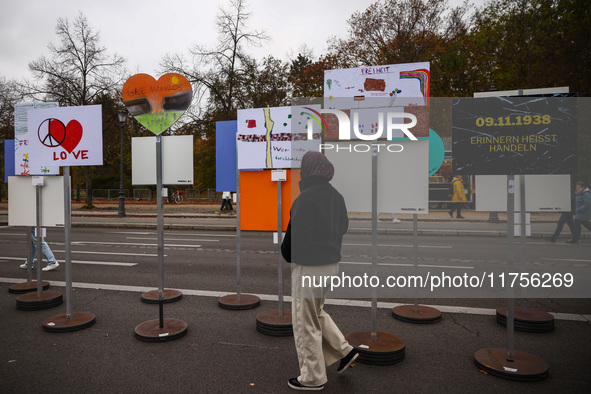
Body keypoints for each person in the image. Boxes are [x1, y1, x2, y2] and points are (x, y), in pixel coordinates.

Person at [281, 151, 358, 391]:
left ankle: (312, 378)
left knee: (305, 323)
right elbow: (343, 227)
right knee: (318, 312)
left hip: (309, 269)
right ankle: (344, 351)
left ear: (306, 172)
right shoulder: (337, 196)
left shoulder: (305, 199)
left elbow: (296, 244)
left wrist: (287, 252)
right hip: (331, 265)